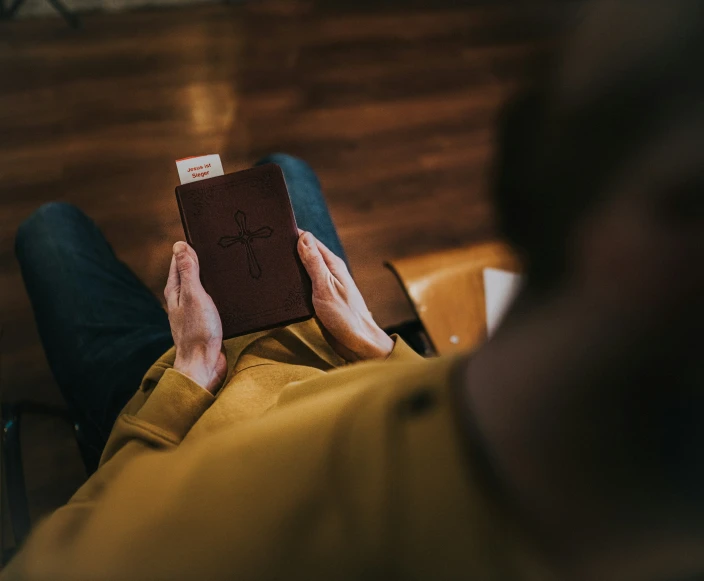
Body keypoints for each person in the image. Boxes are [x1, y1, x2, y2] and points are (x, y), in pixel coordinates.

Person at [5, 2, 704, 580]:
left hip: (172, 404)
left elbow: (71, 535)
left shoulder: (173, 542)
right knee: (282, 168)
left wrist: (187, 374)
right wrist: (373, 340)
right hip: (322, 341)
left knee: (49, 229)